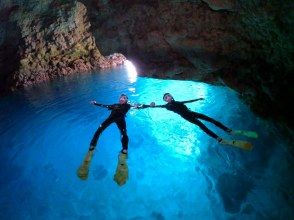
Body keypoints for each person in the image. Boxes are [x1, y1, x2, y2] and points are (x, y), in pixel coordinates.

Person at [77, 94, 150, 181]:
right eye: (121, 98)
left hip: (121, 120)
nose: (122, 99)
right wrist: (95, 103)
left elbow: (139, 106)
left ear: (127, 100)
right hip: (110, 118)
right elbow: (105, 105)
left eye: (124, 98)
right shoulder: (114, 105)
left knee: (124, 133)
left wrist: (150, 105)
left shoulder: (128, 105)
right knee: (99, 130)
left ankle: (124, 152)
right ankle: (91, 149)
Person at [149, 93, 257, 150]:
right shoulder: (168, 106)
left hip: (192, 113)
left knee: (210, 119)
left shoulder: (177, 101)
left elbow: (188, 101)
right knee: (202, 126)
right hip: (188, 117)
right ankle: (219, 139)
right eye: (166, 97)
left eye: (169, 95)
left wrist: (198, 99)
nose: (169, 97)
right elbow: (158, 106)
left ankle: (228, 130)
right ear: (165, 100)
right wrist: (151, 105)